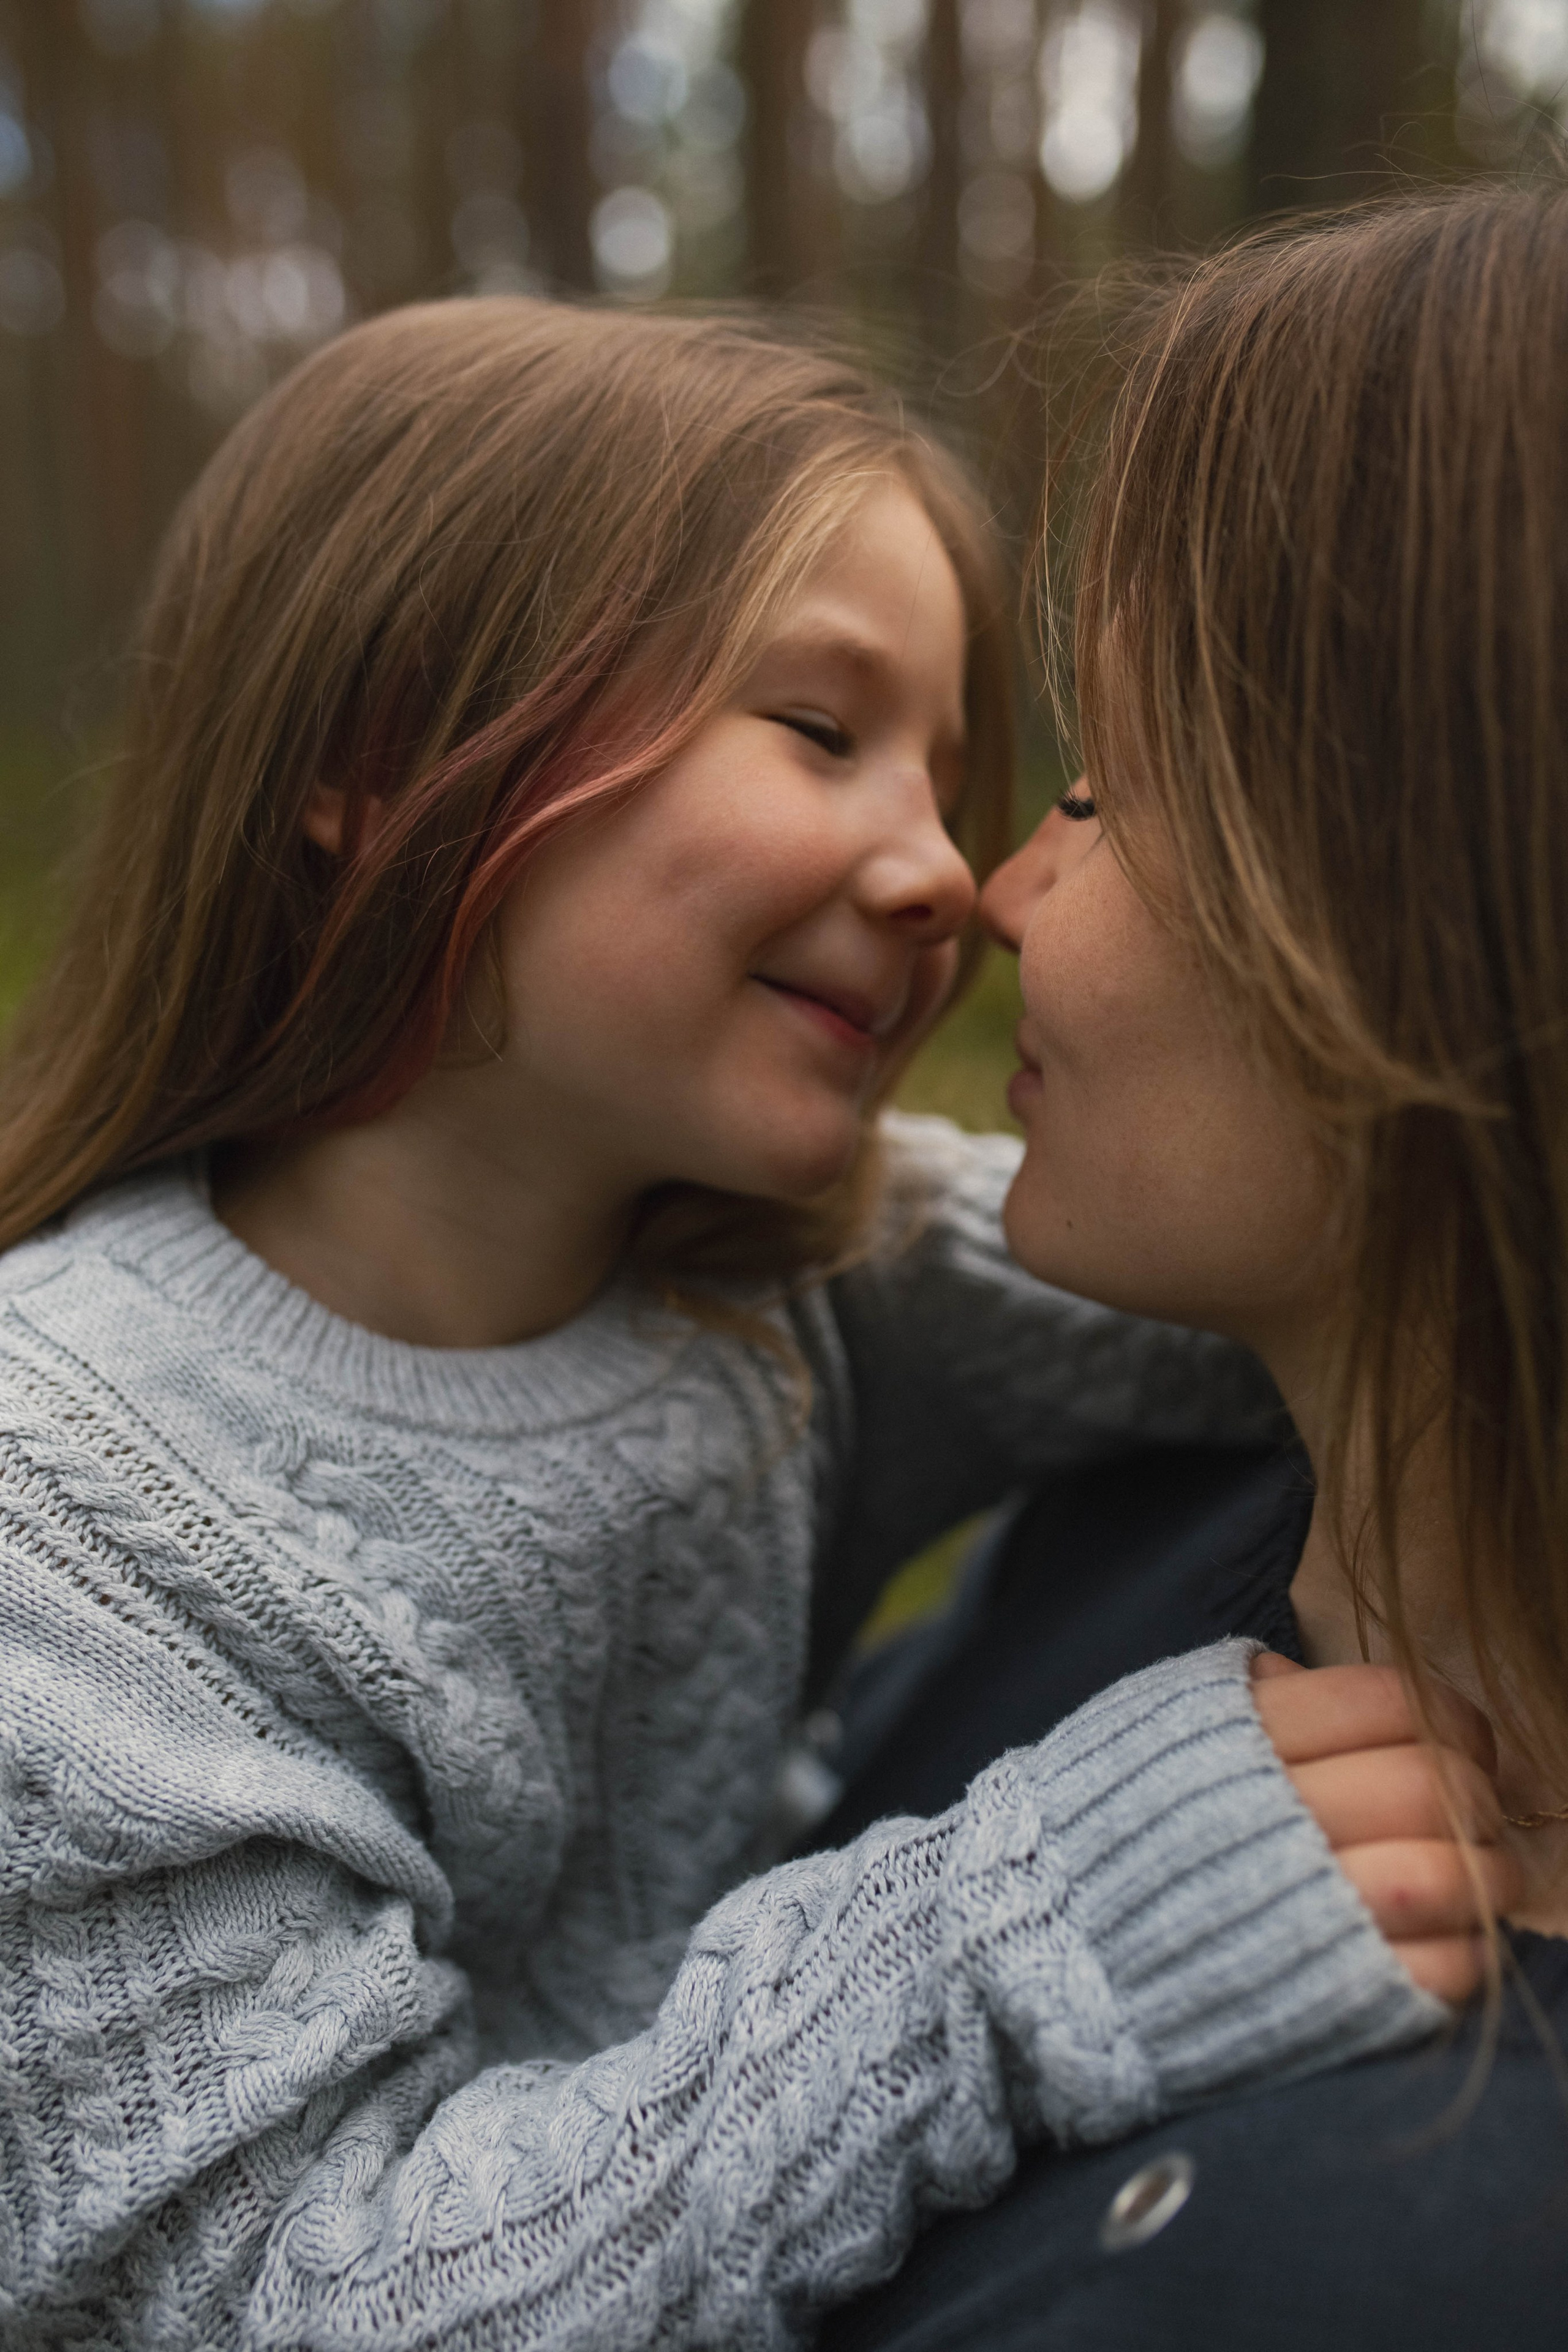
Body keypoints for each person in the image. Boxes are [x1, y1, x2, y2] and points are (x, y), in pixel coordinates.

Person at [0, 298, 1500, 2350]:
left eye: (960, 773)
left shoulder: (788, 1285)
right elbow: (277, 2300)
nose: (954, 875)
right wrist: (1000, 1947)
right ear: (378, 752)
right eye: (818, 729)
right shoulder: (63, 1517)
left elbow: (1401, 1267)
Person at [819, 178, 1568, 2348]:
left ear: (1434, 915)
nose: (996, 895)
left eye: (1116, 791)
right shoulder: (1165, 1494)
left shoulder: (1445, 2267)